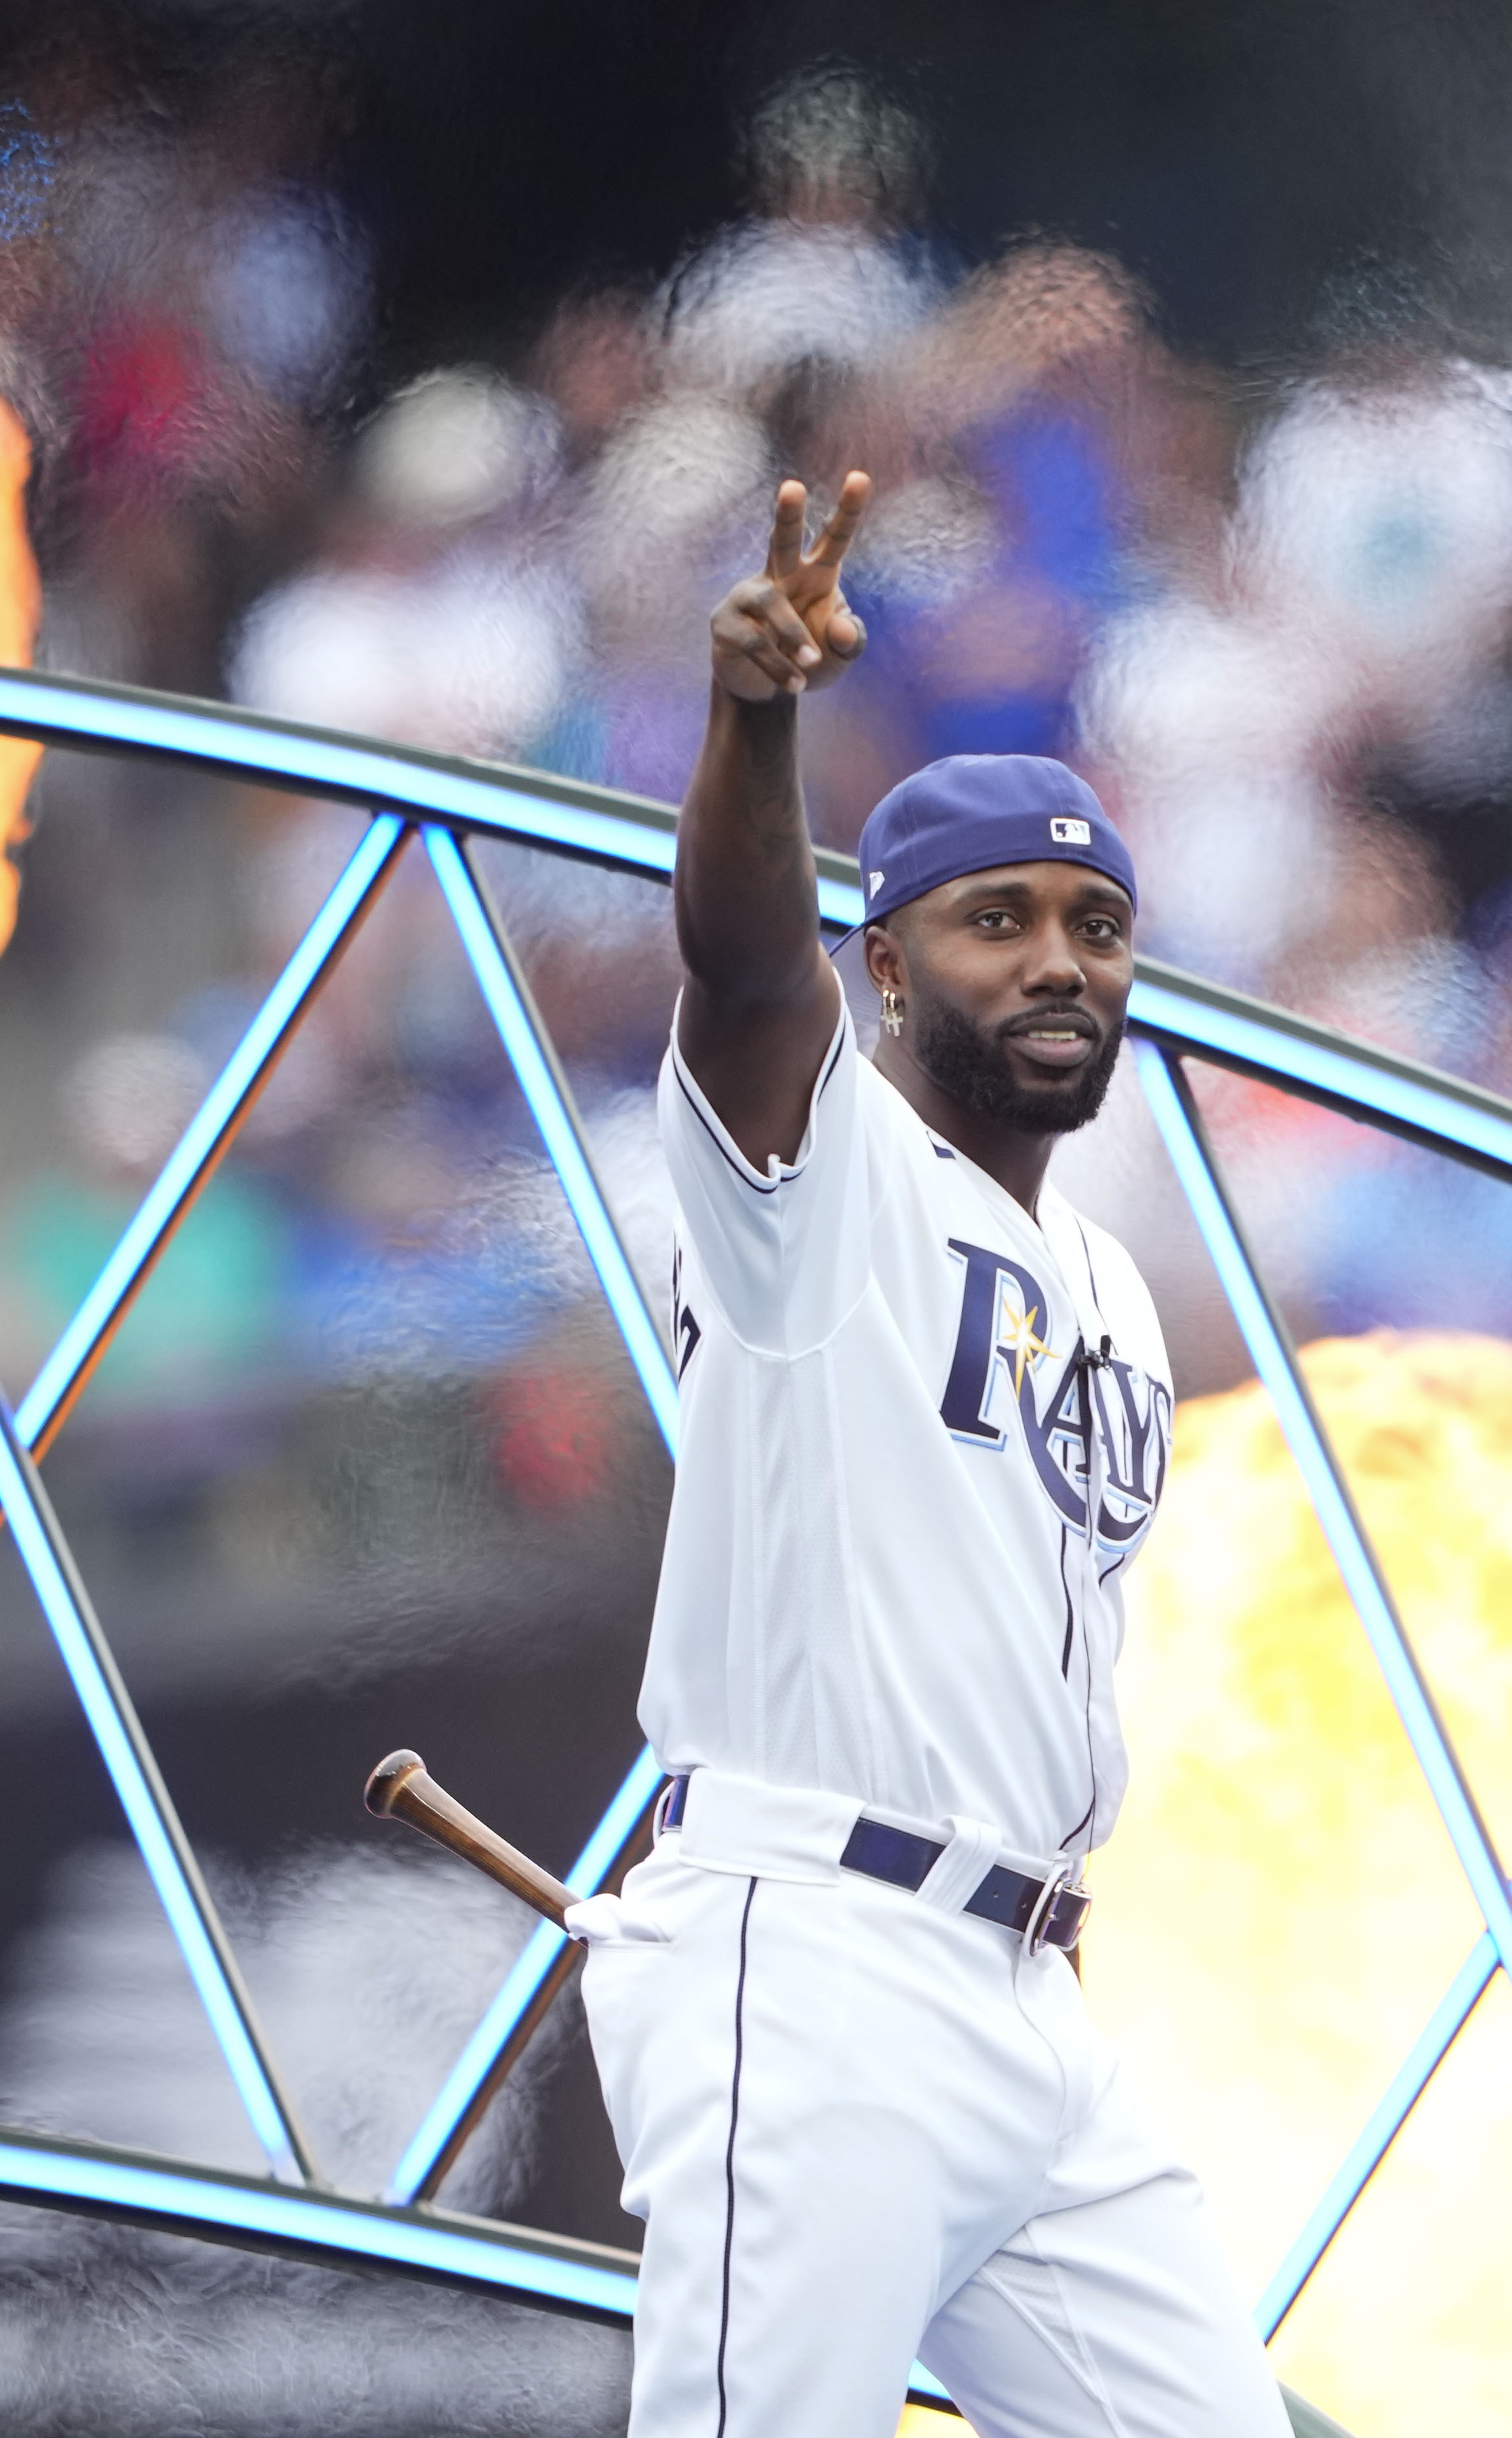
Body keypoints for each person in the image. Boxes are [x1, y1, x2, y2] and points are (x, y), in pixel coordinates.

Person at [567, 473, 1296, 2438]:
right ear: (886, 968)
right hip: (816, 1957)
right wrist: (757, 722)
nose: (1061, 961)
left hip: (1027, 1998)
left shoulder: (1114, 1287)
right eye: (997, 922)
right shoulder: (827, 1181)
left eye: (1096, 925)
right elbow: (736, 969)